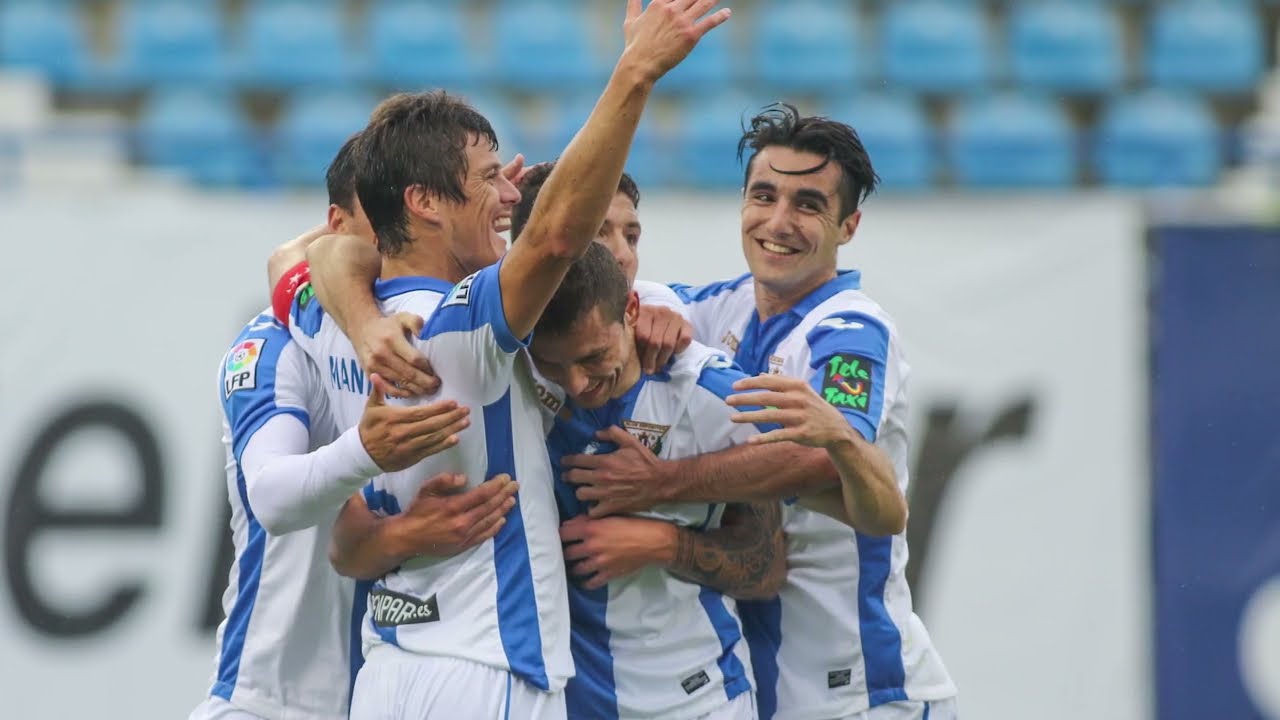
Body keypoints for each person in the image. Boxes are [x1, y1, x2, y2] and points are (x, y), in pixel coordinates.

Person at [283, 3, 732, 717]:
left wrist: (365, 320)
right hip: (486, 665)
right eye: (490, 177)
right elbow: (556, 240)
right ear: (424, 201)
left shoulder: (320, 313)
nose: (510, 193)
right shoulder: (458, 321)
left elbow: (303, 256)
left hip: (388, 666)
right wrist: (636, 74)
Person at [559, 104, 958, 720]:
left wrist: (662, 482)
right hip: (765, 684)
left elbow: (818, 458)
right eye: (764, 196)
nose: (778, 221)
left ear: (848, 225)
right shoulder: (719, 306)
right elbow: (610, 298)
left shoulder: (851, 332)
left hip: (860, 689)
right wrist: (651, 309)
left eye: (808, 204)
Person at [190, 140, 515, 720]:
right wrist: (373, 468)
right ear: (337, 229)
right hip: (275, 703)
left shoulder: (444, 329)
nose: (396, 243)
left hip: (396, 689)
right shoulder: (274, 344)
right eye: (381, 224)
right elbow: (272, 493)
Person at [528, 242, 785, 719]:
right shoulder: (515, 383)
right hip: (565, 701)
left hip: (701, 699)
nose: (577, 384)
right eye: (554, 365)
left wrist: (665, 543)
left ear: (631, 310)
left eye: (594, 357)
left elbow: (767, 568)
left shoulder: (711, 395)